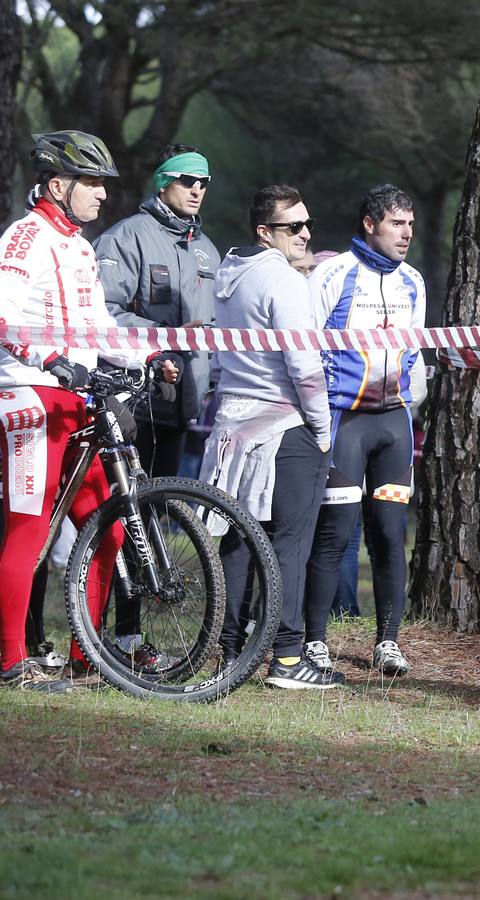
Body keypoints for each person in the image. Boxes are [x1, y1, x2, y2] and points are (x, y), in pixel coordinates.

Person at [0, 131, 181, 692]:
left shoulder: (79, 245)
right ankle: (10, 662)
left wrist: (146, 354)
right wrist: (53, 360)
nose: (103, 195)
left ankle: (87, 654)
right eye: (94, 184)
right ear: (59, 185)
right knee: (27, 531)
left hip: (78, 400)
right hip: (31, 396)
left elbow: (98, 325)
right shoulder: (24, 239)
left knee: (107, 529)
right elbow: (3, 320)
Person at [201, 184, 337, 690]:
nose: (305, 233)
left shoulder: (230, 272)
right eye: (292, 226)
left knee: (238, 541)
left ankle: (231, 653)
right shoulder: (282, 279)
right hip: (283, 425)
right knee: (290, 543)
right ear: (265, 232)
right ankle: (285, 658)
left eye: (307, 223)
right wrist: (322, 428)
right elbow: (303, 365)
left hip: (234, 422)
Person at [302, 185, 427, 678]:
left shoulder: (413, 280)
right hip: (343, 419)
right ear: (370, 224)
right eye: (397, 223)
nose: (407, 233)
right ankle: (314, 640)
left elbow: (416, 351)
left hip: (394, 423)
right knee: (334, 534)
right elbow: (306, 346)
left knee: (390, 534)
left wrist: (408, 400)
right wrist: (315, 418)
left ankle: (388, 641)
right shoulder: (332, 274)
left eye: (411, 224)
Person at [94, 143, 219, 479]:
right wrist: (166, 338)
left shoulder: (207, 250)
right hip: (135, 399)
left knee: (161, 514)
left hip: (185, 404)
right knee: (124, 517)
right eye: (187, 179)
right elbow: (101, 312)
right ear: (163, 182)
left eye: (204, 182)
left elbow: (215, 324)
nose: (197, 189)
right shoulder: (125, 236)